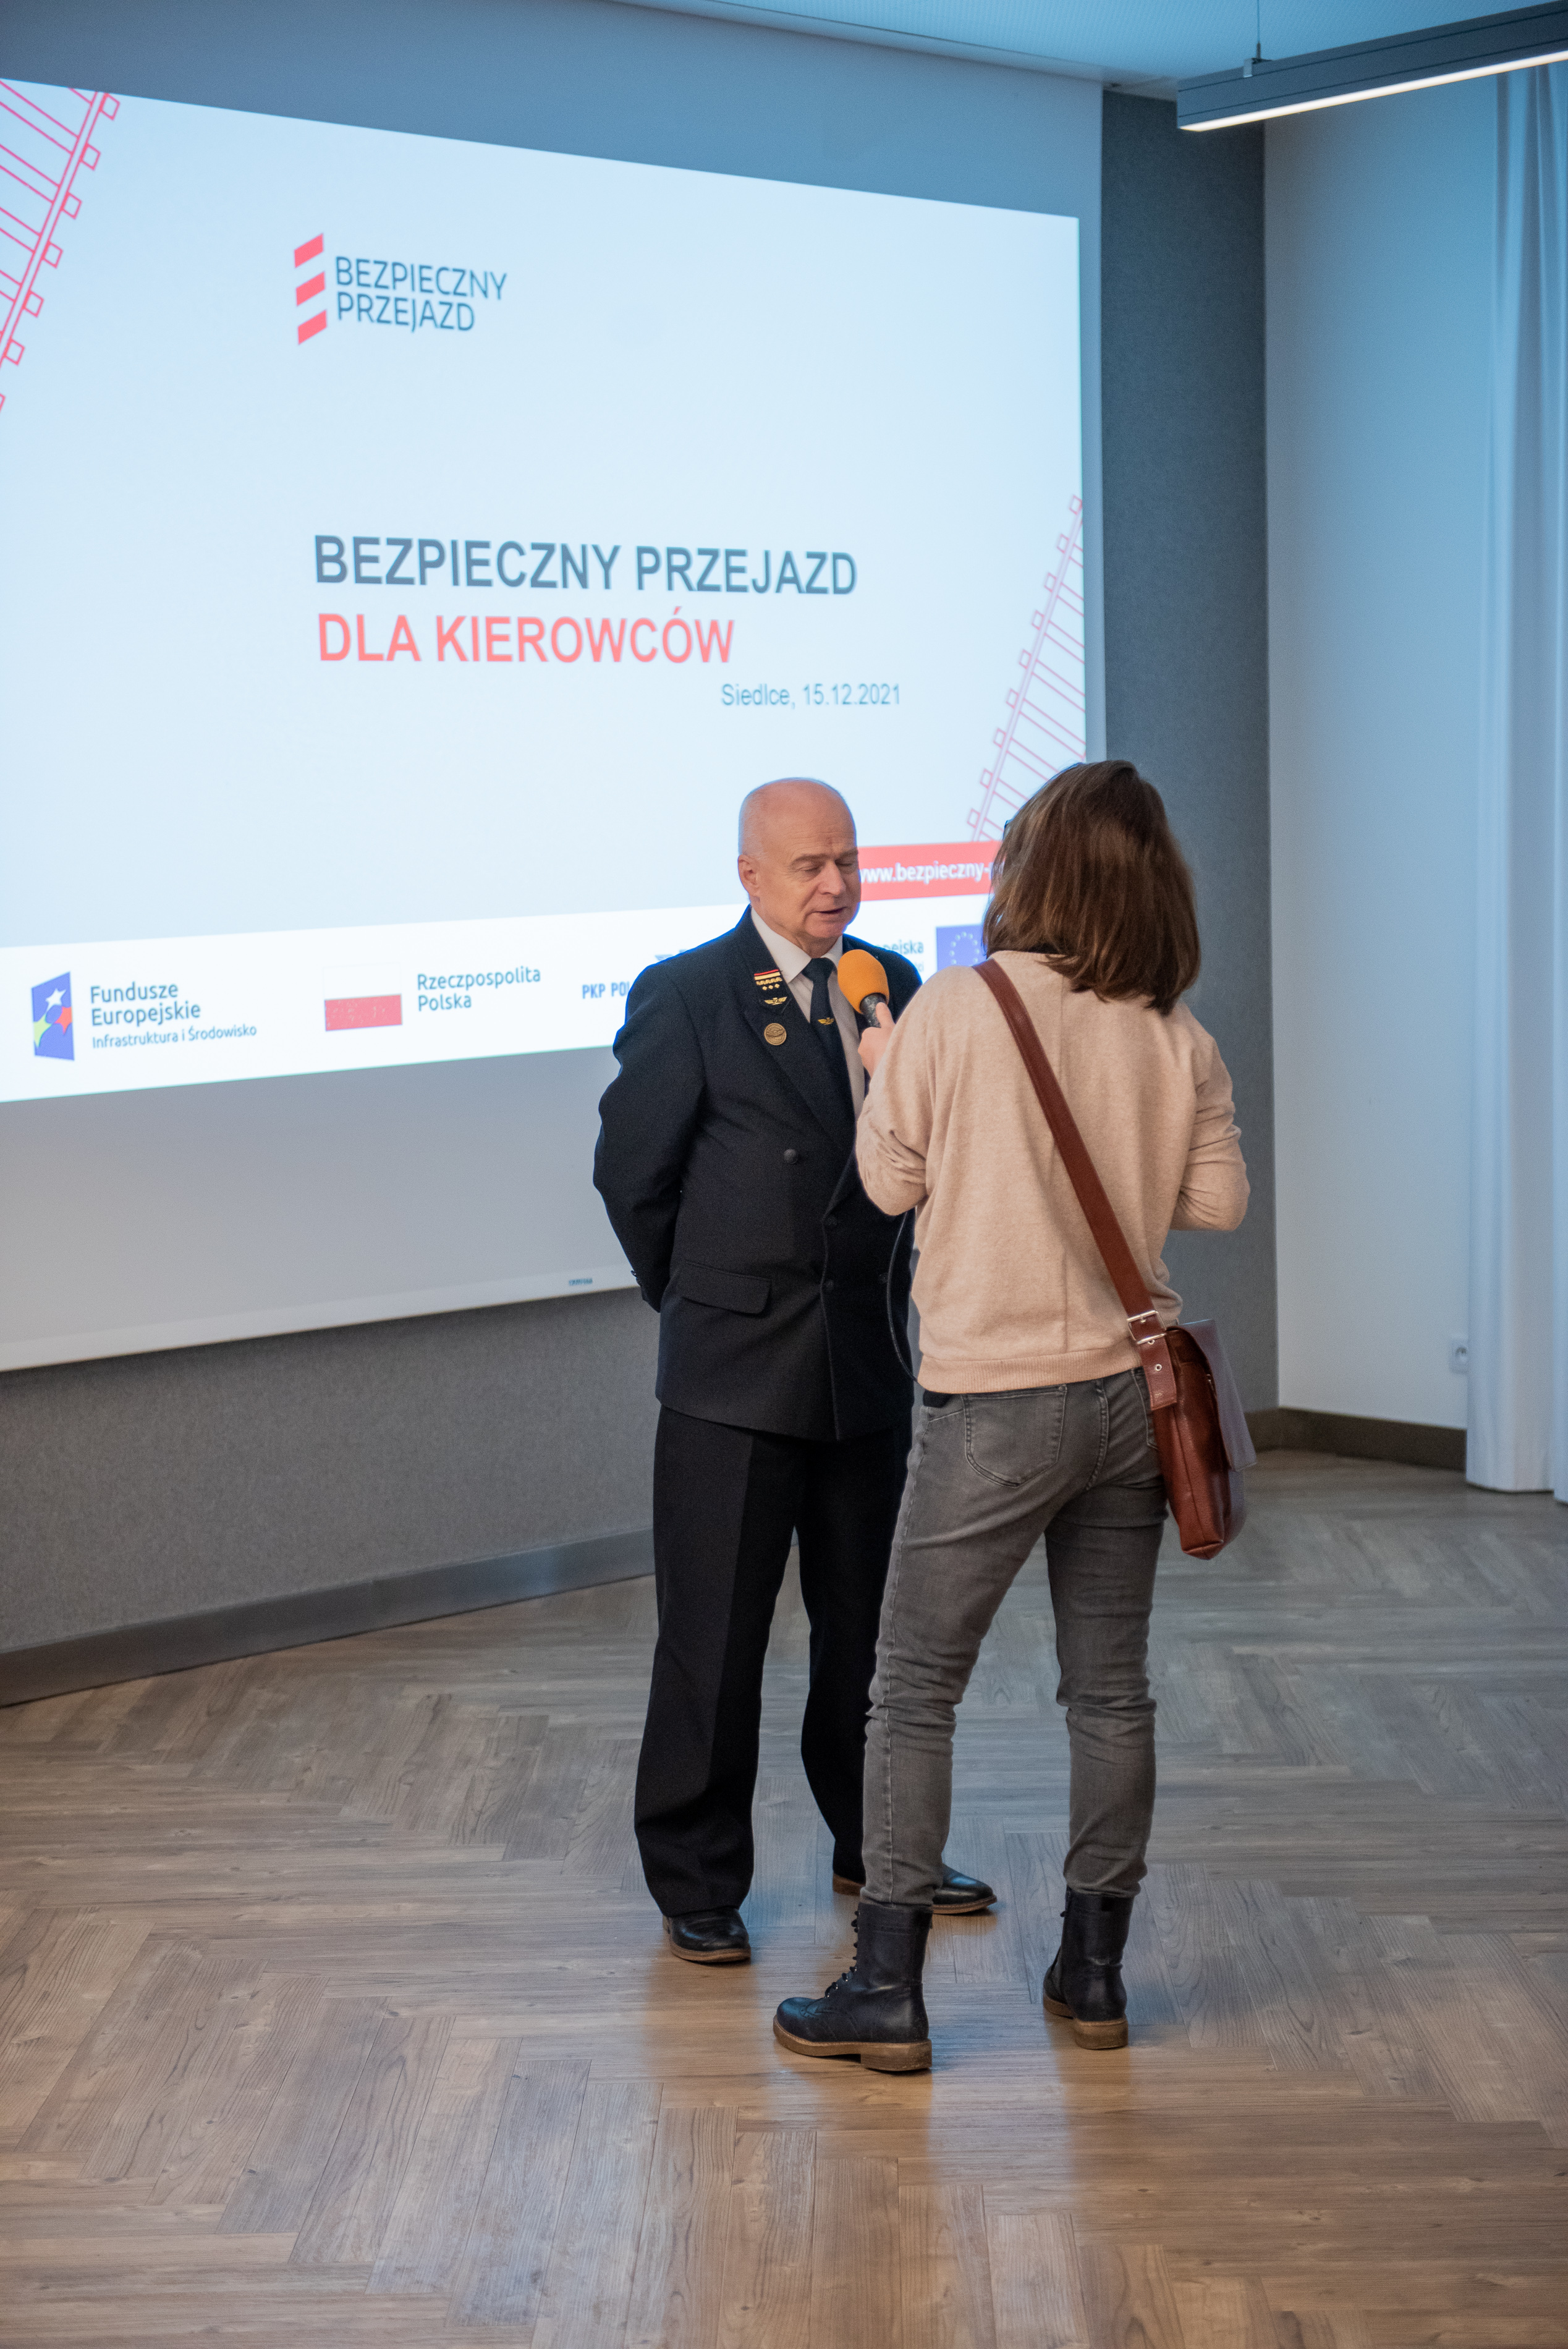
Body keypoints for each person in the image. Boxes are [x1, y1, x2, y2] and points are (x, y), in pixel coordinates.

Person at [773, 760, 1250, 2068]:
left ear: (1030, 869)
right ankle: (1093, 1973)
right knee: (1109, 1693)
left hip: (990, 1403)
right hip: (1130, 1403)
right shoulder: (1176, 1033)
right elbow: (1216, 1205)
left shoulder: (957, 1007)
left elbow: (887, 1185)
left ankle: (886, 1985)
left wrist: (888, 1071)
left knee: (912, 1689)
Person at [595, 777, 993, 1965]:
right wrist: (700, 1298)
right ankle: (697, 1878)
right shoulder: (686, 993)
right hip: (731, 1371)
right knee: (713, 1642)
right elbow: (633, 1177)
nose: (835, 884)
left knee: (870, 1636)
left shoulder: (892, 984)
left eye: (848, 861)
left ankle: (880, 1848)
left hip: (862, 1360)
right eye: (810, 865)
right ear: (750, 876)